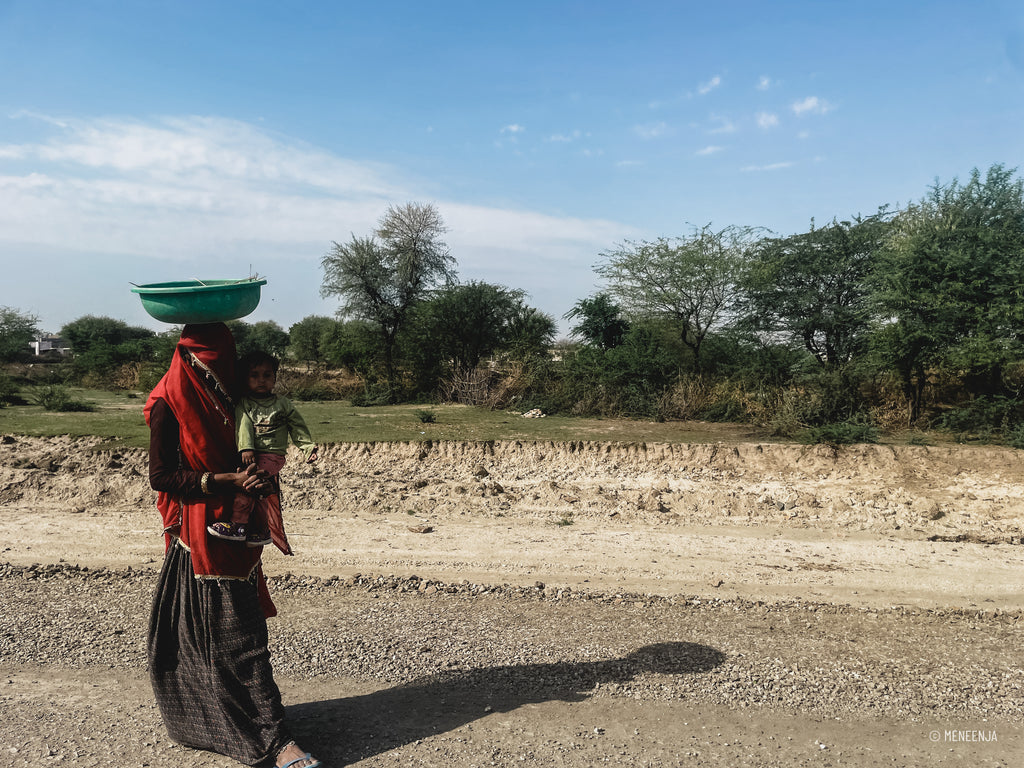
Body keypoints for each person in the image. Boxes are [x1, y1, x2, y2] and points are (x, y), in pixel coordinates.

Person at [145, 323, 320, 768]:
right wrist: (227, 479)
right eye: (208, 361)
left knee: (234, 633)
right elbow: (162, 477)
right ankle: (275, 742)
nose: (215, 369)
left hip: (237, 534)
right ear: (188, 357)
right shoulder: (171, 401)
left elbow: (258, 446)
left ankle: (225, 720)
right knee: (241, 637)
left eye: (223, 360)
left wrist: (260, 478)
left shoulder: (231, 398)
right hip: (200, 537)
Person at [207, 351, 318, 549]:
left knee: (248, 484)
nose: (261, 381)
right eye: (254, 375)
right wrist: (247, 447)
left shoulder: (283, 404)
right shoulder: (245, 404)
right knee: (258, 489)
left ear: (275, 378)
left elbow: (297, 427)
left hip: (272, 456)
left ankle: (238, 526)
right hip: (251, 455)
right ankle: (260, 530)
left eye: (267, 375)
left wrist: (308, 448)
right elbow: (243, 425)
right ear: (245, 378)